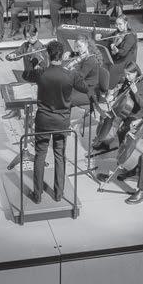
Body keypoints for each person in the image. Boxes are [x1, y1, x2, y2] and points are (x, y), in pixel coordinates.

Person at [27, 41, 89, 203]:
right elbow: (84, 88)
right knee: (59, 156)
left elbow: (25, 75)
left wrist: (34, 63)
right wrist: (75, 69)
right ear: (62, 56)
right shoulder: (70, 74)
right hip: (61, 121)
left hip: (43, 120)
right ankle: (58, 194)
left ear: (48, 55)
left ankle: (37, 194)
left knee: (40, 154)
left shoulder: (41, 73)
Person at [92, 62, 143, 152]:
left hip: (134, 114)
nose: (126, 77)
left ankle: (121, 148)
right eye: (125, 74)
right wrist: (113, 96)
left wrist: (135, 92)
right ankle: (104, 142)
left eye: (129, 74)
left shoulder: (141, 86)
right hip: (123, 109)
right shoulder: (128, 81)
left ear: (136, 73)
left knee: (122, 129)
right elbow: (121, 91)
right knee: (109, 119)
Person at [3, 25, 48, 120]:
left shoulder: (41, 48)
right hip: (27, 75)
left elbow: (44, 65)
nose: (30, 39)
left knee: (23, 92)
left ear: (37, 34)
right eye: (28, 37)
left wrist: (37, 64)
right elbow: (17, 53)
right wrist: (11, 56)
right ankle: (16, 110)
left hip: (38, 79)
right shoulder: (25, 46)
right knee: (12, 87)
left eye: (32, 36)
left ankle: (31, 115)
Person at [63, 35, 99, 109]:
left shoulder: (90, 59)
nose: (78, 49)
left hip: (89, 90)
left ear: (86, 45)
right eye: (76, 47)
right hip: (81, 85)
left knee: (64, 97)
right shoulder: (83, 55)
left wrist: (70, 71)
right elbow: (75, 53)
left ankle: (63, 115)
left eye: (79, 46)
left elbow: (79, 77)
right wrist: (69, 53)